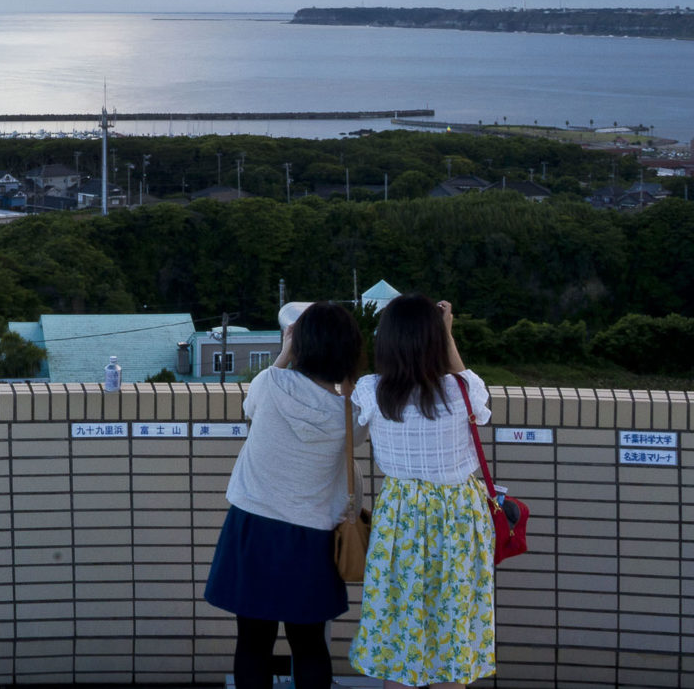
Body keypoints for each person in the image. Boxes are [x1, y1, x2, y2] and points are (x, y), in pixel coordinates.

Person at [203, 300, 365, 689]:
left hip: (252, 528)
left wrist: (283, 353)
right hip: (311, 538)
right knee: (309, 645)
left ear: (300, 343)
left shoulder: (269, 384)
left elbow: (249, 408)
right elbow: (356, 426)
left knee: (252, 642)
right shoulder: (350, 414)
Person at [347, 295, 496, 688]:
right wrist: (447, 334)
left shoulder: (371, 391)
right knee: (452, 622)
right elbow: (475, 402)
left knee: (399, 626)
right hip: (459, 516)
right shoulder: (461, 390)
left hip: (401, 516)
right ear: (436, 340)